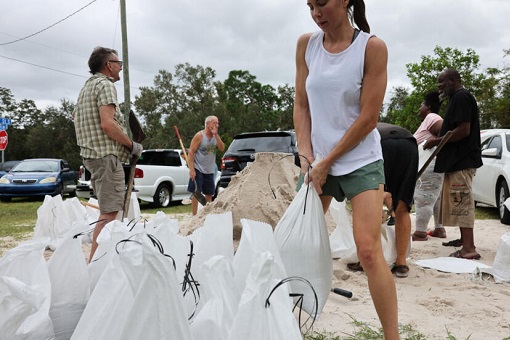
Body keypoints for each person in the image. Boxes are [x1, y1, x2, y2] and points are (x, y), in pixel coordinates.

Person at [293, 0, 399, 338]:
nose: (316, 13)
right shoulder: (305, 45)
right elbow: (301, 102)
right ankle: (291, 326)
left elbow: (369, 117)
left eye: (322, 3)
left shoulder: (372, 48)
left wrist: (328, 160)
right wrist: (306, 153)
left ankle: (392, 336)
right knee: (300, 246)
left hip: (359, 159)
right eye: (310, 6)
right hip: (317, 161)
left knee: (368, 251)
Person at [73, 46, 143, 263]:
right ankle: (97, 265)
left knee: (108, 212)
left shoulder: (86, 88)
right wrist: (132, 145)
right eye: (118, 63)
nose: (120, 67)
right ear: (108, 65)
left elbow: (76, 117)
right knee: (110, 214)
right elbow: (107, 124)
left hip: (93, 156)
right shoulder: (105, 85)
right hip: (106, 157)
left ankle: (102, 261)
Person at [424, 68, 483, 259]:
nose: (439, 86)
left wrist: (436, 141)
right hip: (456, 161)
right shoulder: (456, 99)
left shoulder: (461, 97)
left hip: (462, 160)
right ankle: (462, 240)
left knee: (462, 201)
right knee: (458, 201)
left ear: (453, 80)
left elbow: (464, 130)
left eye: (442, 82)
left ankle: (468, 249)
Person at [378, 123, 419, 278]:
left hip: (382, 144)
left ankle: (365, 261)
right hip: (409, 144)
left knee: (372, 203)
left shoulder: (358, 126)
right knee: (402, 207)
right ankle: (401, 262)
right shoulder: (377, 123)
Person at [412, 91, 446, 241]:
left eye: (421, 105)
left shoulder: (432, 117)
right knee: (435, 198)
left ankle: (420, 232)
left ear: (429, 106)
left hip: (429, 164)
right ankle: (439, 229)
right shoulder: (428, 119)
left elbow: (445, 130)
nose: (419, 108)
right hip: (432, 164)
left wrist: (435, 141)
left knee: (424, 197)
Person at [187, 116, 225, 215]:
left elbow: (222, 148)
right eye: (214, 123)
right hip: (198, 168)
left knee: (209, 193)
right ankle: (194, 215)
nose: (217, 125)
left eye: (217, 123)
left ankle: (206, 214)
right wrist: (192, 170)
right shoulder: (199, 136)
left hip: (210, 170)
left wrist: (216, 135)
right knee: (196, 192)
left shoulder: (215, 137)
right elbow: (191, 153)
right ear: (207, 124)